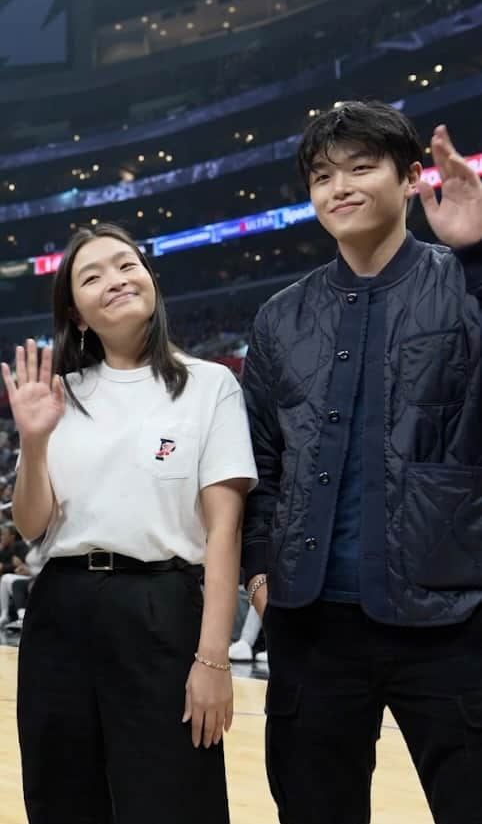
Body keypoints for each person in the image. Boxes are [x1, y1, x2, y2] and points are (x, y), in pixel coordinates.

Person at [242, 100, 482, 824]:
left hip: (451, 613)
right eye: (321, 175)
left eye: (360, 166)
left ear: (411, 177)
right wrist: (259, 564)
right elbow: (259, 458)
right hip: (311, 622)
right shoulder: (279, 317)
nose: (338, 186)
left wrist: (477, 256)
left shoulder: (463, 280)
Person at [1, 222, 258, 824]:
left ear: (150, 280)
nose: (114, 280)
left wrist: (213, 658)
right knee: (62, 793)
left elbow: (225, 531)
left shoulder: (210, 385)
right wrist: (35, 446)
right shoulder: (57, 394)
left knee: (173, 797)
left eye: (126, 265)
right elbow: (35, 525)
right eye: (91, 277)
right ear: (78, 314)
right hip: (59, 612)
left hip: (161, 608)